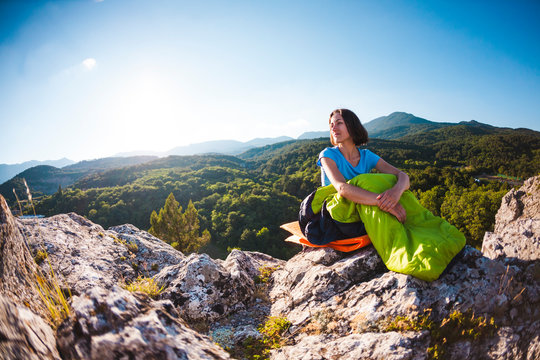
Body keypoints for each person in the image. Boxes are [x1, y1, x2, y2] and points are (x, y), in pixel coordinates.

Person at [317, 108, 410, 223]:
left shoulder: (367, 156)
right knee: (363, 181)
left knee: (396, 187)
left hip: (362, 207)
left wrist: (395, 193)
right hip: (335, 213)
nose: (333, 128)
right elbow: (342, 188)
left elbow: (403, 176)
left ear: (352, 126)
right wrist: (384, 202)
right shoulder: (327, 154)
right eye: (331, 125)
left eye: (339, 123)